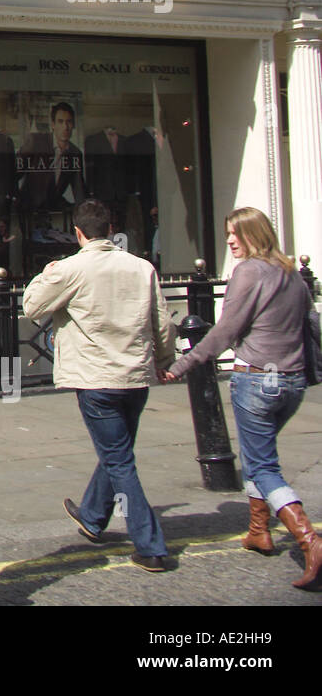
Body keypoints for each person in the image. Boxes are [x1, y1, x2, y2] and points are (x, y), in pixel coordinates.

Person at [162, 207, 322, 591]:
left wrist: (182, 365)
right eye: (227, 233)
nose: (230, 240)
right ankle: (258, 531)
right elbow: (310, 325)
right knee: (257, 454)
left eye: (236, 233)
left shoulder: (248, 272)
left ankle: (309, 540)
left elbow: (224, 332)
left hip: (257, 382)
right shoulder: (291, 274)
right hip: (292, 382)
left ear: (255, 234)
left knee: (264, 466)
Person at [22, 198, 176, 572]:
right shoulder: (142, 268)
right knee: (118, 452)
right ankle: (92, 515)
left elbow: (31, 305)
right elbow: (164, 324)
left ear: (77, 233)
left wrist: (49, 271)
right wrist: (164, 361)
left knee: (120, 460)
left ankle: (150, 545)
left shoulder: (71, 268)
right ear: (111, 229)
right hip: (136, 377)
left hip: (96, 380)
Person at [18, 101, 86, 212]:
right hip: (27, 209)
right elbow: (14, 173)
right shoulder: (36, 142)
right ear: (53, 125)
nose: (65, 127)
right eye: (60, 122)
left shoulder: (75, 153)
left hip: (53, 208)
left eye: (69, 122)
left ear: (73, 125)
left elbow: (79, 190)